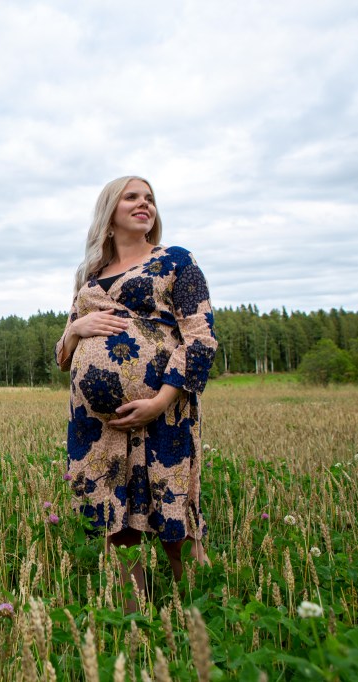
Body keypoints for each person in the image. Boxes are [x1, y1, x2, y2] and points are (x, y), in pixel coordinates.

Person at [55, 175, 217, 610]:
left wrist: (160, 401)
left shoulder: (176, 261)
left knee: (176, 522)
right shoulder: (89, 278)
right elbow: (62, 356)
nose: (144, 203)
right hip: (99, 427)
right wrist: (76, 329)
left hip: (163, 410)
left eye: (149, 198)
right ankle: (134, 626)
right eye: (132, 197)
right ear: (109, 214)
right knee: (118, 526)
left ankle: (207, 622)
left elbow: (201, 339)